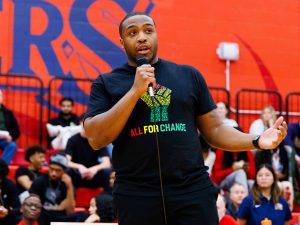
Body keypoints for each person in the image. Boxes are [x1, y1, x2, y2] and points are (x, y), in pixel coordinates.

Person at [83, 12, 288, 225]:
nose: (142, 37)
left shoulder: (188, 76)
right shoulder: (106, 83)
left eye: (148, 30)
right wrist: (135, 91)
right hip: (137, 195)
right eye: (132, 33)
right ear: (122, 42)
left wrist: (256, 140)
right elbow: (96, 138)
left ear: (156, 35)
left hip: (192, 191)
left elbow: (215, 131)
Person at [29, 153, 85, 225]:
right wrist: (58, 208)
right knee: (38, 211)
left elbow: (70, 211)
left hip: (60, 217)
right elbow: (33, 205)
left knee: (83, 215)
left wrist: (69, 187)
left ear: (64, 171)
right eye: (51, 169)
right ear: (48, 167)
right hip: (44, 214)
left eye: (58, 170)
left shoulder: (68, 184)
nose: (53, 173)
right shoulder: (40, 181)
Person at [65, 121, 112, 191]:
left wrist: (95, 169)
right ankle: (70, 198)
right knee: (67, 172)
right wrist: (79, 167)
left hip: (94, 175)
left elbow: (107, 163)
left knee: (108, 172)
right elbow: (66, 162)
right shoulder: (72, 140)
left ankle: (105, 198)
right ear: (81, 123)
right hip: (78, 175)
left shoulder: (98, 140)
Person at [0, 90, 20, 164]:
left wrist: (11, 137)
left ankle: (2, 167)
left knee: (12, 145)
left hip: (4, 140)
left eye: (0, 95)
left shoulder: (8, 113)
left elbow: (16, 130)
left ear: (2, 98)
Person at [0, 158, 22, 225]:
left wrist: (7, 212)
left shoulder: (9, 184)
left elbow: (18, 207)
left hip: (6, 216)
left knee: (20, 218)